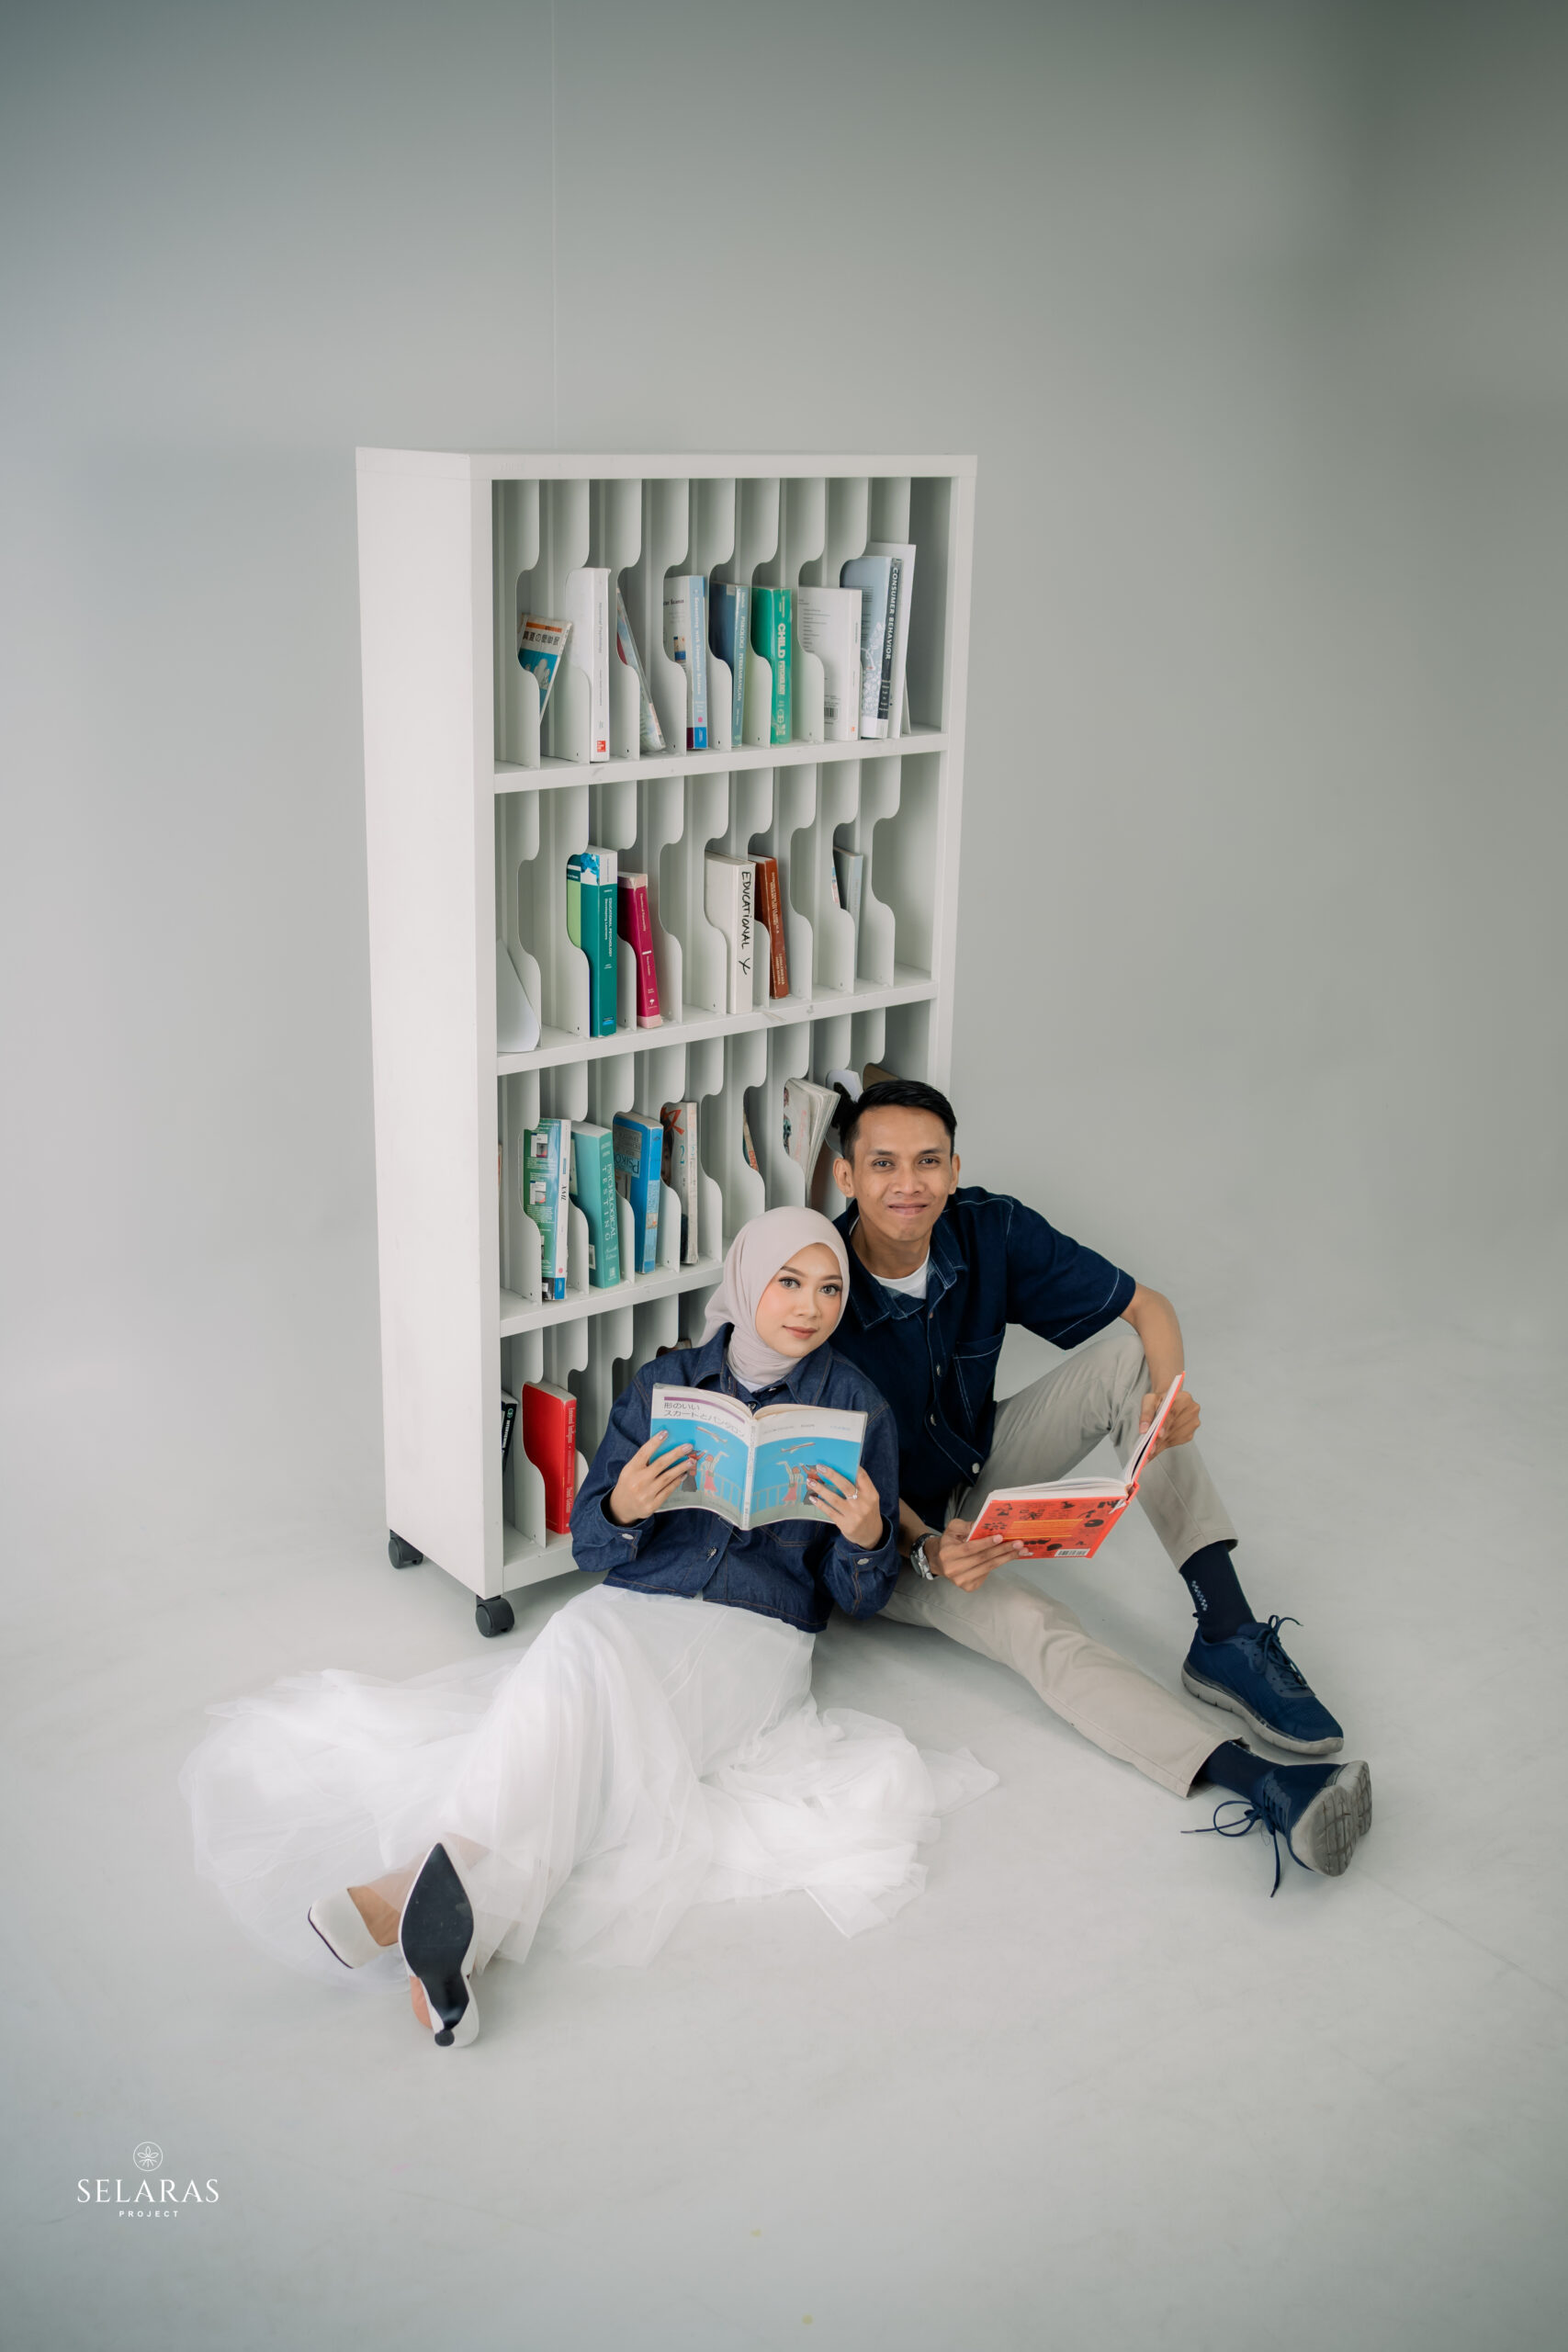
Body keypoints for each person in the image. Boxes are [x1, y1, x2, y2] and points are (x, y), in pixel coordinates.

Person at [178, 1208, 995, 2049]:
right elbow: (594, 1546)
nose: (809, 1307)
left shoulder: (855, 1406)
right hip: (637, 1604)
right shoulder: (668, 1384)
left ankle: (407, 1899)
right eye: (788, 1281)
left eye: (828, 1290)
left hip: (757, 1633)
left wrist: (866, 1537)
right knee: (576, 1650)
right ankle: (448, 1938)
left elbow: (858, 1598)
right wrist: (625, 1504)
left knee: (595, 1734)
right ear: (749, 1278)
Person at [826, 1080, 1371, 1893]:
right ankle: (1262, 1784)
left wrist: (1165, 1403)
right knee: (1033, 1623)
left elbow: (1149, 1309)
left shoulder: (986, 1227)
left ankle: (1225, 1633)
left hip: (972, 1466)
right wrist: (930, 1548)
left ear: (954, 1169)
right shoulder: (820, 1282)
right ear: (846, 1176)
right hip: (890, 1536)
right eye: (883, 1164)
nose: (908, 1184)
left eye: (927, 1161)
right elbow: (840, 1470)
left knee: (1130, 1365)